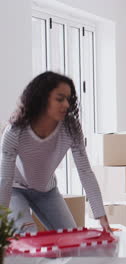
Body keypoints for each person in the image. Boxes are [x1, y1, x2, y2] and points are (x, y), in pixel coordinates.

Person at [0, 71, 110, 233]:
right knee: (28, 239)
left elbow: (85, 171)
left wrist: (101, 215)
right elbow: (5, 179)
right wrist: (2, 217)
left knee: (71, 237)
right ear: (41, 99)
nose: (66, 104)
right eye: (60, 99)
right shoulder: (15, 131)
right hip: (15, 190)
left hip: (47, 191)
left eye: (68, 99)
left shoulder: (71, 128)